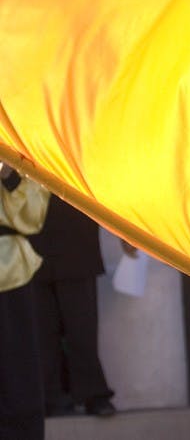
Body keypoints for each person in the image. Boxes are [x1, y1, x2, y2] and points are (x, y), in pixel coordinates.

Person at [28, 196, 116, 417]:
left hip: (76, 242)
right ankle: (51, 398)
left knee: (81, 329)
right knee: (42, 333)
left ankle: (93, 395)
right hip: (30, 244)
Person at [0, 163, 50, 440]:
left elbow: (34, 217)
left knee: (18, 379)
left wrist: (9, 176)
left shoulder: (20, 152)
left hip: (10, 274)